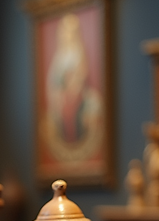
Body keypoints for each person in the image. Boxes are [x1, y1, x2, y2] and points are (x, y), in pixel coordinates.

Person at [43, 13, 103, 162]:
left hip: (78, 103)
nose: (67, 36)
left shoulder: (80, 55)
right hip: (63, 106)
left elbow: (80, 81)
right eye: (65, 33)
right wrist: (60, 97)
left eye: (71, 33)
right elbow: (53, 84)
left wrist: (74, 91)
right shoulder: (58, 58)